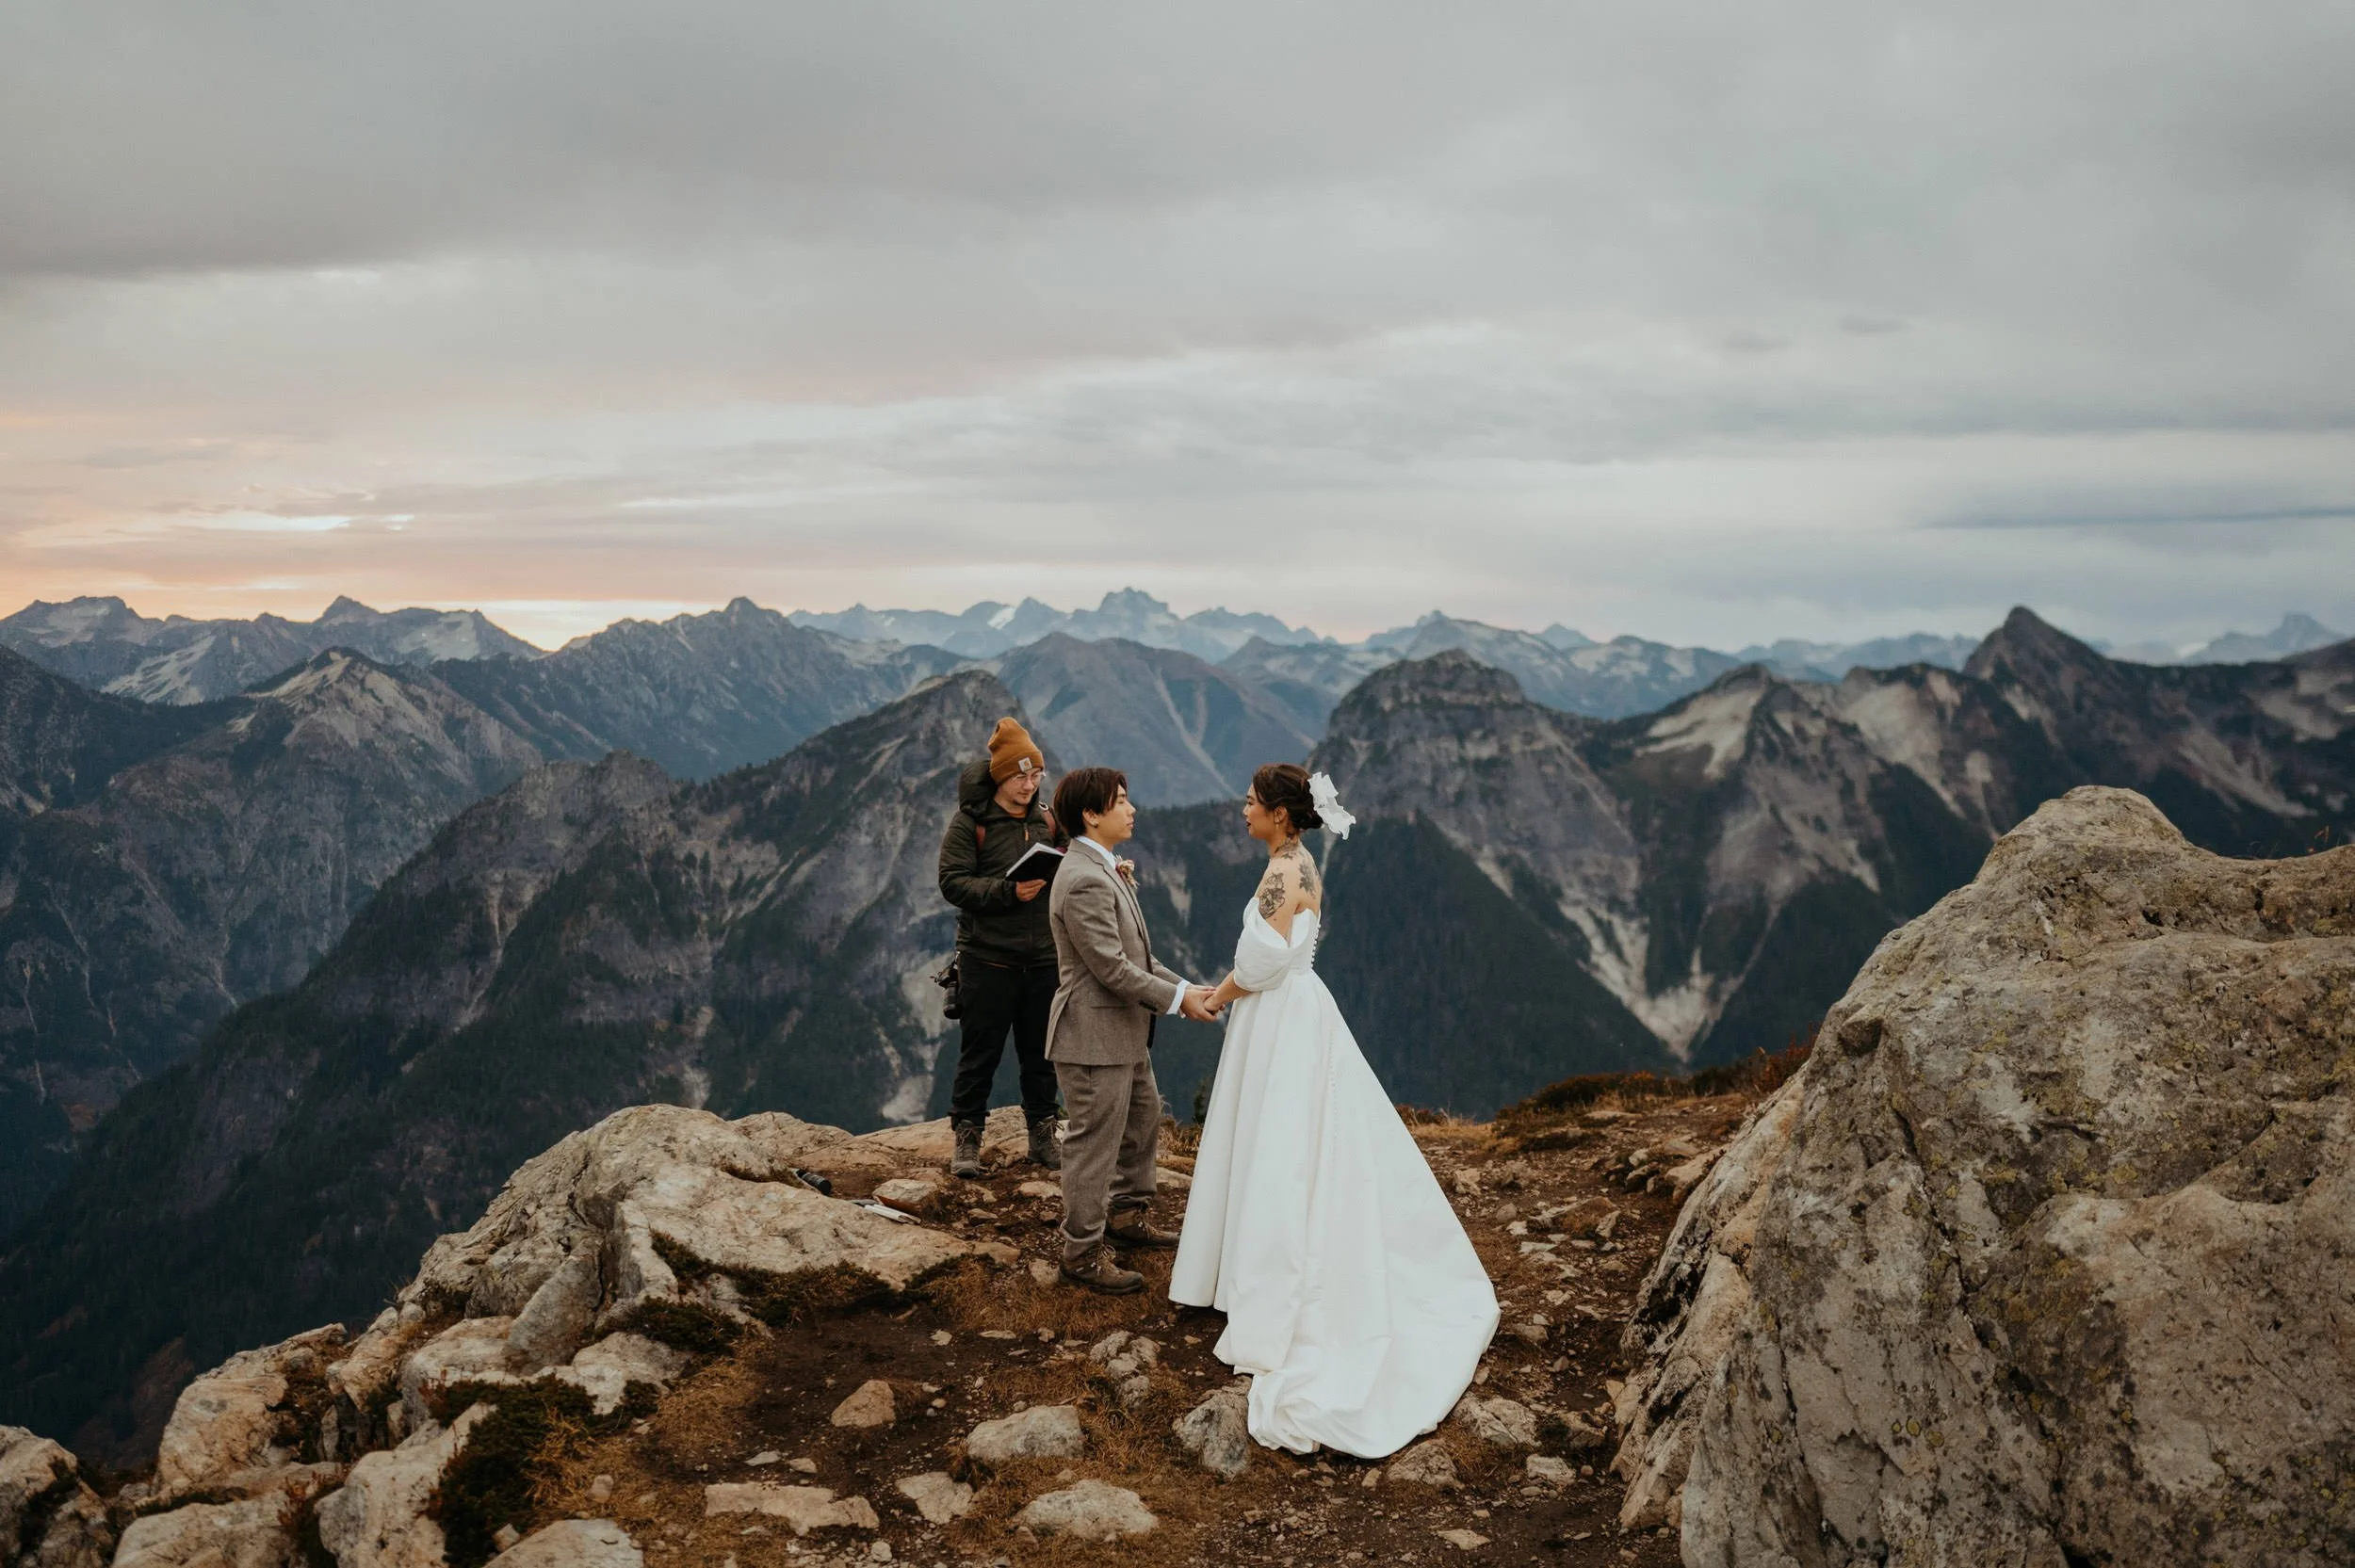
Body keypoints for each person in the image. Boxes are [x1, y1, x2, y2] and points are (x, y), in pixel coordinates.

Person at [1171, 763, 1499, 1458]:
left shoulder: (1278, 877)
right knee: (1303, 1144)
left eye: (1253, 802)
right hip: (1303, 1009)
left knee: (1279, 1147)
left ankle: (1267, 1278)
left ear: (1282, 815)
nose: (1243, 808)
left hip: (1276, 1015)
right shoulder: (1304, 864)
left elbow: (1255, 966)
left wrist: (1213, 997)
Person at [1044, 767, 1223, 1295]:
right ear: (1091, 815)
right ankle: (1079, 1255)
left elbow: (1141, 957)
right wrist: (1179, 1002)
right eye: (1120, 800)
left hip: (1122, 1031)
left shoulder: (1102, 870)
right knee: (1093, 1144)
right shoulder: (1081, 880)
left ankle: (1126, 1218)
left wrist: (1192, 987)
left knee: (1143, 1119)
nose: (1132, 808)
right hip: (1091, 1037)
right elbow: (1110, 968)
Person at [936, 717, 1064, 1180]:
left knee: (1043, 1054)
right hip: (987, 959)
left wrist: (1111, 868)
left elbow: (1077, 861)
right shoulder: (972, 823)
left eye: (1036, 775)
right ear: (1000, 777)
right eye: (1019, 776)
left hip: (1044, 959)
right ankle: (967, 1139)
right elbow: (951, 882)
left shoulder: (1050, 820)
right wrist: (1008, 894)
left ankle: (1043, 1134)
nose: (1029, 785)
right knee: (980, 1053)